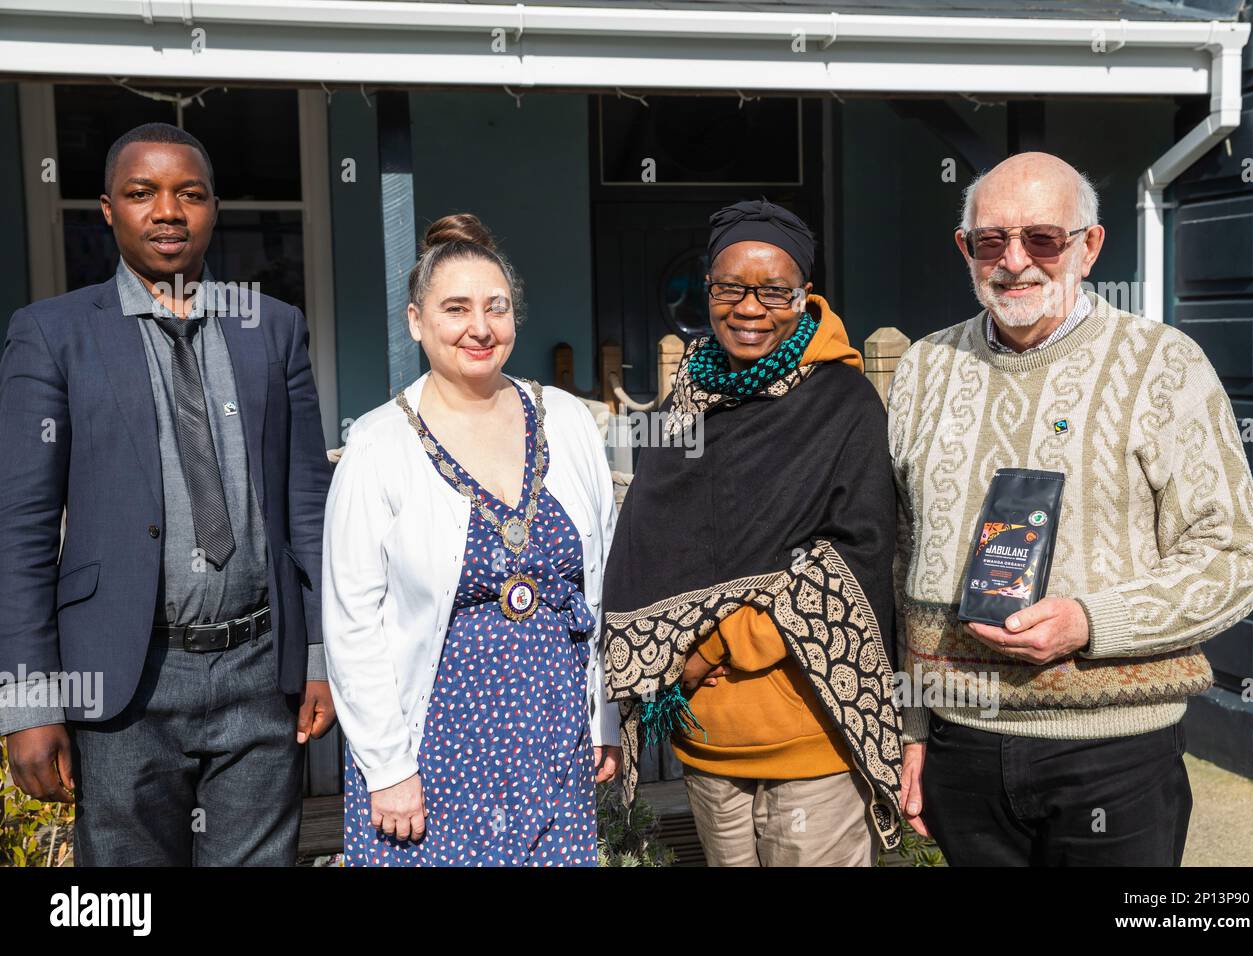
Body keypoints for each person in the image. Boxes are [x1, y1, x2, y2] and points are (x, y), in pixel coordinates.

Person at [887, 151, 1253, 866]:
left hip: (1112, 751)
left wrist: (1093, 622)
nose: (1015, 262)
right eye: (991, 241)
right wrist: (912, 731)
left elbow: (1234, 558)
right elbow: (903, 557)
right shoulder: (923, 368)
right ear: (965, 249)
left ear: (1089, 246)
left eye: (1042, 238)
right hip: (960, 745)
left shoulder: (1163, 365)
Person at [0, 122, 335, 865]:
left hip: (259, 671)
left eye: (189, 194)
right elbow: (19, 531)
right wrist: (26, 702)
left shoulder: (271, 328)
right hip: (123, 682)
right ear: (108, 209)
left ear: (214, 208)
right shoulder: (52, 335)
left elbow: (307, 509)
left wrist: (317, 657)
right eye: (141, 193)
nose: (167, 212)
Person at [601, 198, 923, 867]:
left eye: (774, 290)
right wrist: (669, 659)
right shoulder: (688, 394)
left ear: (805, 295)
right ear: (708, 288)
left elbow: (855, 559)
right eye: (730, 288)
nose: (751, 308)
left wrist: (710, 649)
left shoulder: (842, 405)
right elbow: (654, 538)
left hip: (809, 736)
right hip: (708, 742)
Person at [323, 213, 621, 866]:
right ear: (416, 321)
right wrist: (387, 768)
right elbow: (352, 623)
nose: (480, 328)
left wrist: (607, 719)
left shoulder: (569, 423)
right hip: (429, 748)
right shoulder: (379, 444)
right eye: (455, 309)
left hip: (552, 734)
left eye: (497, 308)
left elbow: (604, 584)